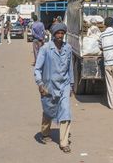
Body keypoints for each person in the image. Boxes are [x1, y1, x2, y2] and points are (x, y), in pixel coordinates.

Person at [34, 23, 73, 154]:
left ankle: (64, 142)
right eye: (58, 33)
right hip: (49, 86)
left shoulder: (68, 48)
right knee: (48, 111)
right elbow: (37, 68)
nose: (60, 36)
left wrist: (71, 85)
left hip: (64, 85)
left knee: (65, 111)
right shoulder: (45, 49)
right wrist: (40, 84)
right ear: (53, 34)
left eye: (62, 33)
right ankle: (45, 133)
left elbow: (70, 69)